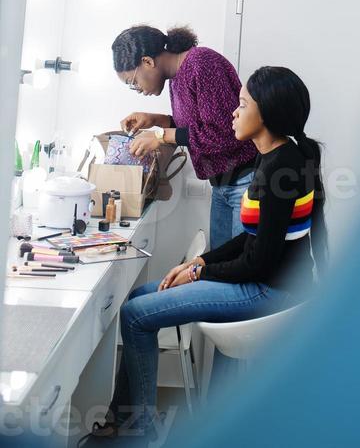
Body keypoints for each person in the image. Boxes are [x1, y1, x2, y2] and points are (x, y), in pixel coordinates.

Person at [82, 66, 327, 443]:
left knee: (134, 316)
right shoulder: (274, 158)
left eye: (242, 104)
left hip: (269, 290)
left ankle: (138, 431)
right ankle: (129, 419)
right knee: (138, 298)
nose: (233, 111)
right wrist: (200, 261)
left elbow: (258, 262)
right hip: (262, 278)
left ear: (268, 114)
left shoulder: (283, 169)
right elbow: (251, 238)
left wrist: (199, 274)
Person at [112, 24, 256, 248]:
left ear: (148, 61)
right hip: (223, 185)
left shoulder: (202, 63)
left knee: (240, 271)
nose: (137, 88)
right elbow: (193, 127)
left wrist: (161, 136)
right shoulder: (177, 77)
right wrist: (155, 119)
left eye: (133, 82)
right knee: (222, 267)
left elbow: (223, 134)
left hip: (245, 181)